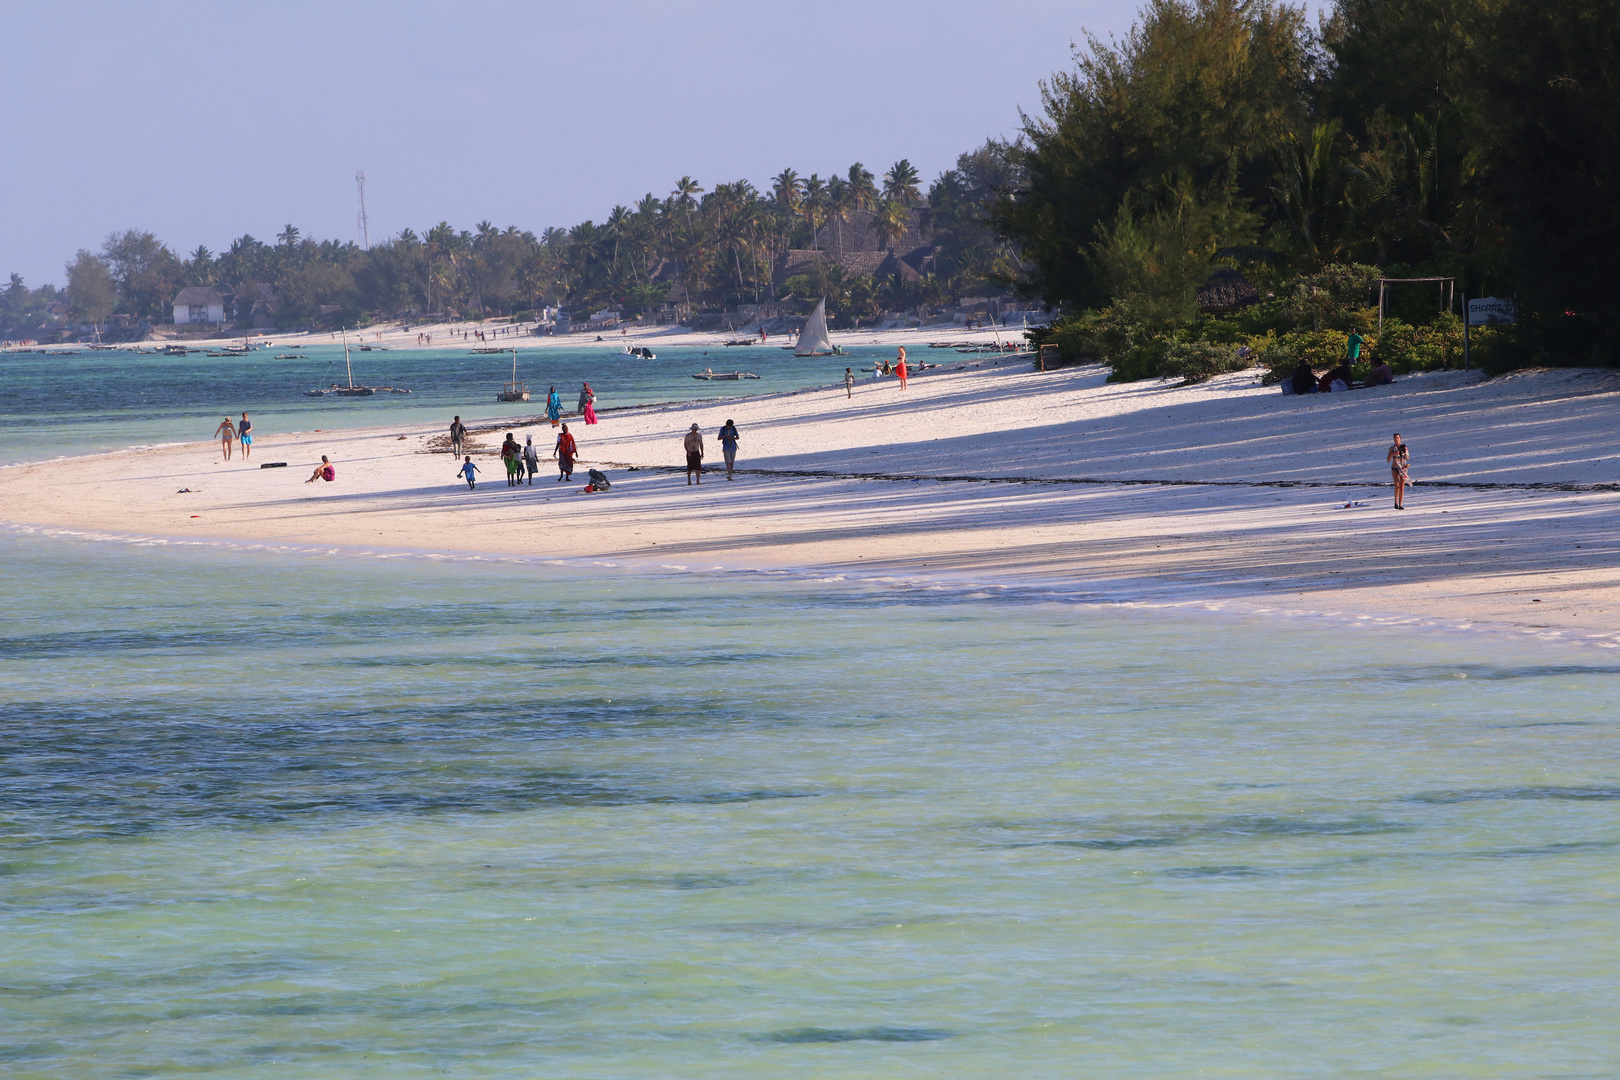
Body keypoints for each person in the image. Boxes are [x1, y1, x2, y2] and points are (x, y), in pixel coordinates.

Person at [1386, 433, 1410, 510]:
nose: (1397, 439)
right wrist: (1393, 454)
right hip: (1395, 468)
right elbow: (1388, 460)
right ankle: (1396, 502)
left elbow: (1407, 458)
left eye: (1398, 438)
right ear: (1393, 439)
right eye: (1395, 438)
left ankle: (1400, 504)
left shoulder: (1404, 447)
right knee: (1397, 485)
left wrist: (1404, 453)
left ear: (1400, 439)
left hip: (1403, 468)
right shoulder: (1392, 448)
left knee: (1402, 486)